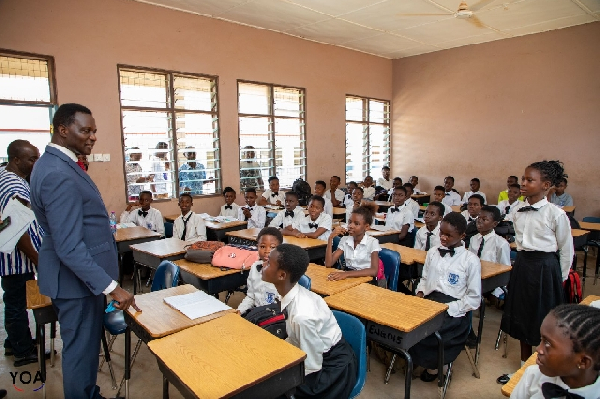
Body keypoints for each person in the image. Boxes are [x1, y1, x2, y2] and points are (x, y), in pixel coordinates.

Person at [30, 103, 139, 398]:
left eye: (94, 131)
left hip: (77, 280)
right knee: (80, 352)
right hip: (75, 282)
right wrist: (112, 287)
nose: (92, 137)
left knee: (86, 348)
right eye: (85, 130)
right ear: (63, 130)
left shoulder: (59, 164)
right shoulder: (57, 172)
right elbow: (69, 247)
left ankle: (88, 392)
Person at [499, 160, 573, 384]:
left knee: (543, 322)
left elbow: (566, 252)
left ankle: (543, 372)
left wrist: (557, 280)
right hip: (523, 265)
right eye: (523, 178)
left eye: (529, 180)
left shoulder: (556, 214)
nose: (523, 183)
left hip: (545, 268)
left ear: (546, 185)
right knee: (522, 317)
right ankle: (524, 371)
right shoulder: (517, 210)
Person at [261, 244, 357, 399]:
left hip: (331, 369)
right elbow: (294, 339)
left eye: (268, 263)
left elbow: (312, 365)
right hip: (313, 353)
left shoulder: (301, 316)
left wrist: (281, 373)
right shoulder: (290, 292)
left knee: (272, 388)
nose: (263, 264)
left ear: (281, 275)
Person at [410, 212, 481, 382]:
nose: (443, 237)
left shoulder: (470, 260)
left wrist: (449, 308)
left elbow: (473, 298)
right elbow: (425, 279)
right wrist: (419, 294)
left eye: (449, 235)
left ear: (462, 236)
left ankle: (438, 365)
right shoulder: (433, 252)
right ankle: (423, 361)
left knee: (433, 331)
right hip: (430, 301)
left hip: (454, 309)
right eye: (441, 232)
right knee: (410, 324)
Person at [0, 140, 42, 366]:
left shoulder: (5, 177)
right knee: (16, 304)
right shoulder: (14, 186)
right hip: (17, 261)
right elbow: (14, 228)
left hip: (13, 259)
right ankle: (23, 351)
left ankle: (15, 341)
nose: (35, 163)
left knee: (14, 301)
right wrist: (37, 258)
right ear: (16, 160)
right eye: (31, 159)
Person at [510, 304, 600, 398]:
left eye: (548, 343)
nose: (538, 349)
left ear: (583, 361)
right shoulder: (533, 376)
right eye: (541, 339)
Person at [325, 206, 381, 280]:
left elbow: (374, 271)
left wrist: (346, 274)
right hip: (348, 277)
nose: (350, 226)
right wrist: (330, 238)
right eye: (349, 222)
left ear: (366, 227)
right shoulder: (345, 240)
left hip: (366, 279)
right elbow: (329, 264)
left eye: (356, 224)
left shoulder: (372, 242)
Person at [237, 227, 281, 315]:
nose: (267, 251)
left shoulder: (282, 273)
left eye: (272, 247)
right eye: (262, 246)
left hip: (275, 316)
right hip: (257, 313)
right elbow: (251, 296)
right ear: (257, 246)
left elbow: (283, 305)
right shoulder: (254, 267)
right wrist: (239, 311)